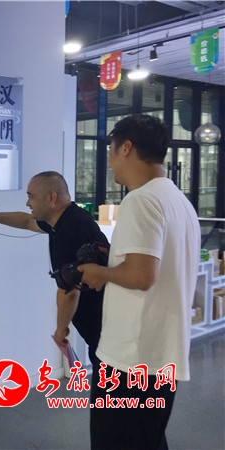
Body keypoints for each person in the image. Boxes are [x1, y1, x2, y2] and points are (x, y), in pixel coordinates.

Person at [78, 114, 201, 450]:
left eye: (112, 151)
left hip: (131, 359)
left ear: (127, 148)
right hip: (161, 357)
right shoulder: (179, 202)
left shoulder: (140, 200)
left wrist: (100, 273)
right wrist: (114, 258)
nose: (110, 161)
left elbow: (142, 275)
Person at [0, 171, 108, 365]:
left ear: (51, 198)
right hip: (101, 331)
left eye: (31, 196)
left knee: (110, 381)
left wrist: (60, 329)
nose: (27, 203)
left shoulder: (71, 229)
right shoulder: (64, 219)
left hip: (105, 331)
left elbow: (70, 291)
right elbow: (27, 221)